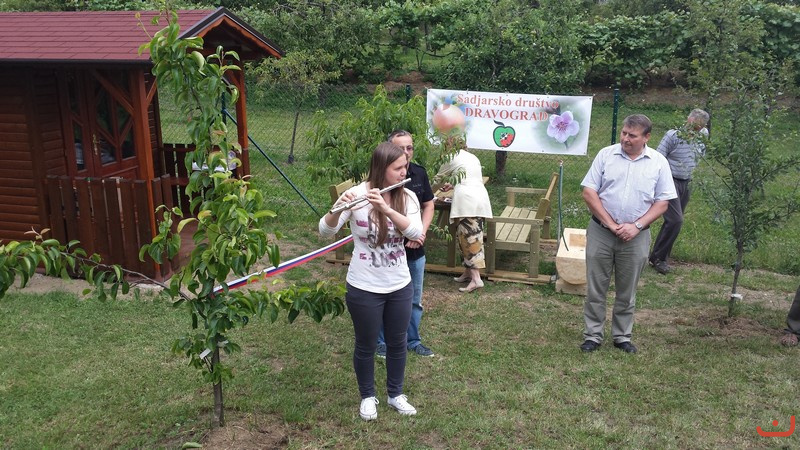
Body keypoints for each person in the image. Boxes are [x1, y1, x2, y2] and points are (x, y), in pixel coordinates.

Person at [319, 142, 423, 421]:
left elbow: (415, 232)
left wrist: (386, 209)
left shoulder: (408, 197)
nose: (404, 172)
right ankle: (367, 396)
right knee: (365, 344)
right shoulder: (357, 195)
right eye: (398, 168)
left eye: (405, 167)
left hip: (399, 283)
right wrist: (337, 208)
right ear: (381, 168)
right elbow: (325, 231)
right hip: (364, 285)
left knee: (398, 342)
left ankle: (395, 394)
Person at [579, 114, 677, 354]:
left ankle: (622, 336)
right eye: (624, 133)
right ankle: (593, 335)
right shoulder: (606, 155)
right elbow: (589, 192)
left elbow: (662, 202)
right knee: (595, 288)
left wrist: (637, 226)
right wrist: (611, 224)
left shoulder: (658, 163)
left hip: (636, 237)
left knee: (627, 290)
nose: (625, 139)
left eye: (632, 135)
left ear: (646, 137)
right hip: (602, 232)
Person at [376, 130, 436, 359]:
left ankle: (412, 340)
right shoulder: (380, 178)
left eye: (409, 147)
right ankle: (381, 342)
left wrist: (421, 233)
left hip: (414, 249)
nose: (406, 152)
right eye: (400, 148)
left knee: (414, 299)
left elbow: (428, 204)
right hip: (388, 250)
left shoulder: (419, 173)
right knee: (383, 296)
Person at [649, 109, 710, 275]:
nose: (694, 130)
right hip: (670, 181)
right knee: (676, 220)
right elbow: (658, 158)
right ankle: (658, 259)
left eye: (698, 128)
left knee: (673, 222)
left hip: (687, 181)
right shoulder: (673, 135)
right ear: (688, 120)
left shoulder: (704, 134)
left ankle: (660, 256)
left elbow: (701, 153)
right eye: (693, 126)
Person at [434, 140, 492, 293]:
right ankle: (468, 273)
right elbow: (469, 177)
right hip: (480, 198)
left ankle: (476, 279)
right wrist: (453, 184)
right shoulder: (472, 157)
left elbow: (437, 179)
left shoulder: (450, 157)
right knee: (468, 236)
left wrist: (426, 194)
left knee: (469, 239)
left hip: (467, 201)